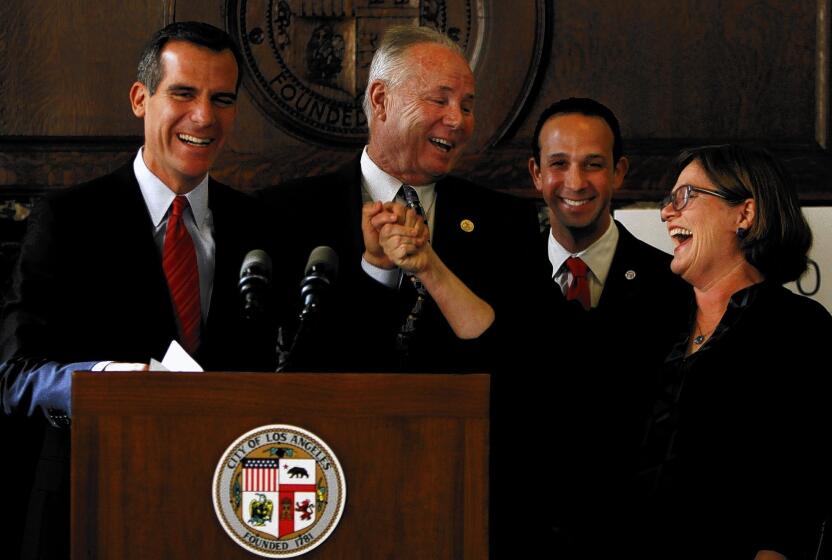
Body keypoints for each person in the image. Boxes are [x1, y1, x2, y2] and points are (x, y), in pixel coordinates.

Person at [0, 21, 272, 558]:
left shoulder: (260, 225)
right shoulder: (68, 220)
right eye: (184, 94)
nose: (204, 117)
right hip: (94, 503)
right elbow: (14, 376)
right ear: (139, 99)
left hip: (230, 511)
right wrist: (107, 382)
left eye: (222, 99)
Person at [261, 25, 541, 374]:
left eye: (467, 106)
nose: (457, 120)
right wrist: (377, 270)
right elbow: (285, 362)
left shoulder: (508, 222)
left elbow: (521, 361)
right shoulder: (283, 214)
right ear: (381, 100)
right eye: (439, 100)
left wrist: (431, 269)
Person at [642, 143, 832, 559]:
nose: (666, 213)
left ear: (744, 214)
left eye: (685, 197)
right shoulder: (650, 321)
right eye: (667, 200)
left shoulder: (799, 330)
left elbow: (810, 477)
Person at [525, 97, 691, 554]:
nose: (575, 182)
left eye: (593, 164)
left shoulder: (674, 288)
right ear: (536, 173)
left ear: (619, 172)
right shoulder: (497, 281)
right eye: (558, 164)